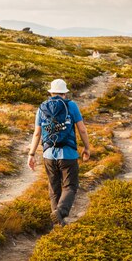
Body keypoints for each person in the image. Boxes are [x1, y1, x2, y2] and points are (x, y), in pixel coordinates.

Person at [27, 79, 91, 227]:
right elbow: (82, 129)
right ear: (65, 93)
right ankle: (60, 212)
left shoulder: (42, 107)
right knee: (70, 186)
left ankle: (57, 223)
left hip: (48, 154)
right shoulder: (71, 105)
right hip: (68, 154)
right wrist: (86, 148)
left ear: (51, 92)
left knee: (54, 187)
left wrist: (31, 154)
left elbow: (37, 134)